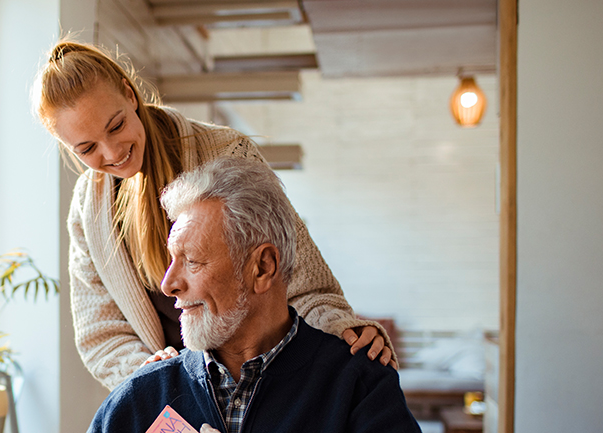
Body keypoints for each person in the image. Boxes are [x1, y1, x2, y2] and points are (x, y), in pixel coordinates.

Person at [27, 157, 442, 433]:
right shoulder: (141, 396)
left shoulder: (358, 383)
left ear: (262, 267)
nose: (169, 284)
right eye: (170, 261)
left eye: (191, 261)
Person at [33, 40, 396, 390]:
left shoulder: (227, 152)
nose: (112, 152)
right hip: (171, 397)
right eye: (87, 148)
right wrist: (147, 376)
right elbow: (101, 333)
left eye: (116, 126)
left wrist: (343, 329)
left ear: (130, 95)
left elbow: (298, 274)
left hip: (262, 378)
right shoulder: (87, 208)